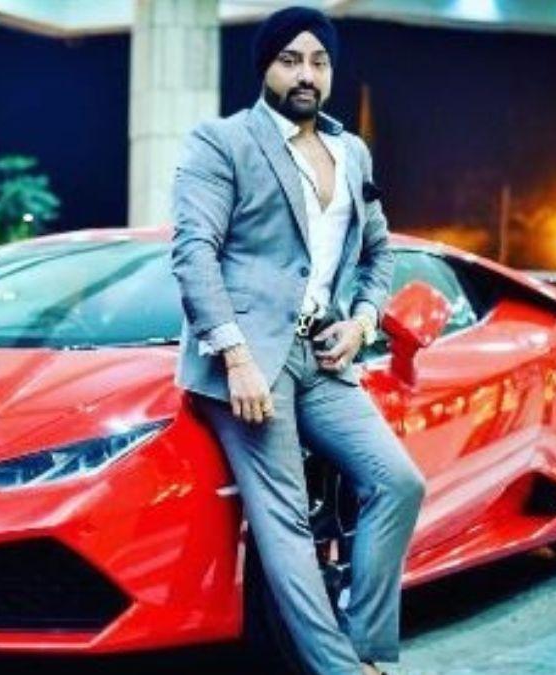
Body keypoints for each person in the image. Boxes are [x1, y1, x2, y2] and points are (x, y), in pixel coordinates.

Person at [170, 7, 426, 674]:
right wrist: (235, 357)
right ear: (266, 67)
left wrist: (362, 321)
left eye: (318, 61)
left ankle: (365, 649)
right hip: (251, 361)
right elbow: (194, 253)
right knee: (284, 522)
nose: (305, 74)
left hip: (323, 355)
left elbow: (379, 253)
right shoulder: (222, 142)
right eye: (290, 60)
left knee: (398, 482)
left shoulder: (352, 151)